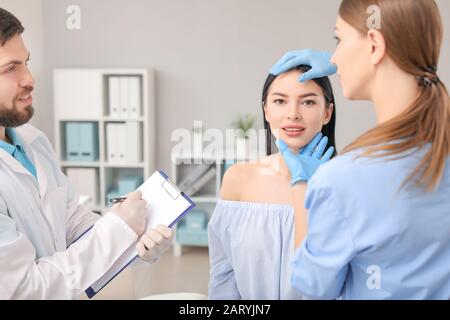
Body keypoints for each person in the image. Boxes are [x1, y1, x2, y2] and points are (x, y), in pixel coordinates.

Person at [272, 0, 450, 299]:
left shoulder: (344, 179)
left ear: (374, 45)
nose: (334, 58)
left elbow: (311, 289)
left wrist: (305, 185)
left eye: (338, 40)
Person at [0, 8, 173, 299]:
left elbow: (72, 221)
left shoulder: (34, 142)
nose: (30, 78)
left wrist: (136, 238)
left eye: (26, 62)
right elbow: (23, 290)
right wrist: (119, 229)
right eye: (10, 68)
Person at [207, 63, 336, 299]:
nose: (293, 113)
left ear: (327, 112)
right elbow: (223, 275)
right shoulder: (238, 179)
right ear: (266, 110)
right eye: (280, 101)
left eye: (308, 102)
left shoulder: (345, 185)